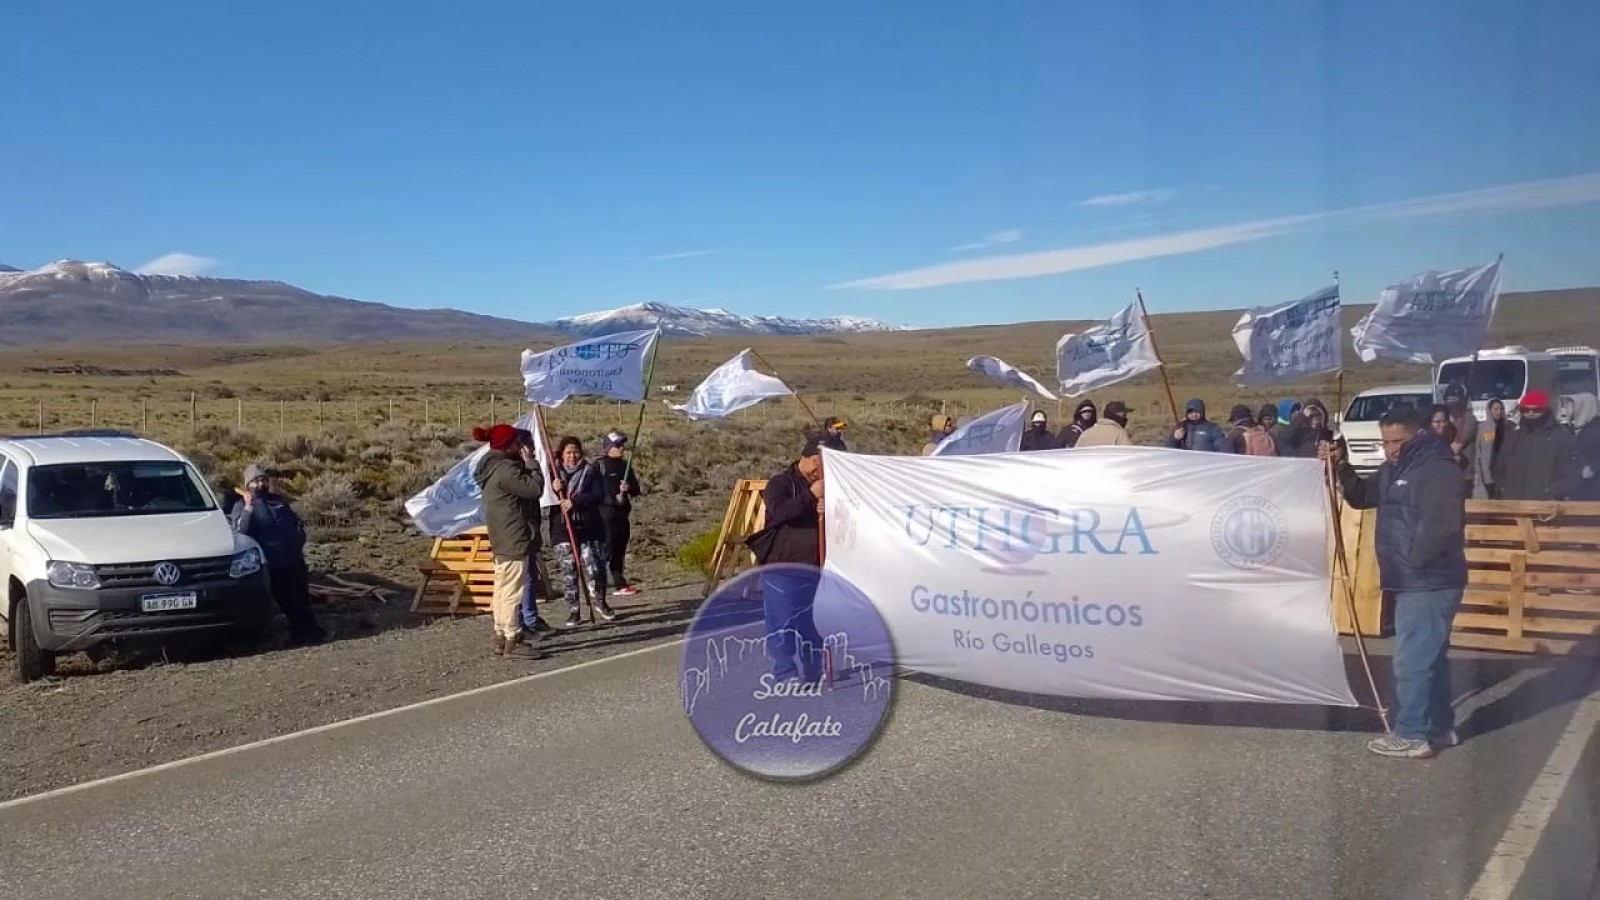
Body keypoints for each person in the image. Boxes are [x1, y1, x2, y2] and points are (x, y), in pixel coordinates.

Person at [1321, 404, 1466, 759]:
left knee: (1411, 660)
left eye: (1397, 441)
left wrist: (1414, 561)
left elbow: (1444, 525)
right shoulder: (1393, 469)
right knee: (1430, 657)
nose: (1390, 449)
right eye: (1385, 442)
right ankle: (1438, 726)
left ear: (1418, 434)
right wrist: (1342, 465)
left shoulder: (1436, 469)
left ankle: (1412, 733)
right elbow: (1362, 496)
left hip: (1429, 580)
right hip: (1411, 579)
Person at [754, 439, 828, 683]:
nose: (819, 468)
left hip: (814, 566)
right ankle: (785, 672)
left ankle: (814, 668)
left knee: (812, 622)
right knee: (782, 622)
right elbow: (781, 512)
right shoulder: (780, 483)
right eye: (816, 462)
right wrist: (811, 495)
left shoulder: (829, 485)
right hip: (782, 567)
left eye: (824, 464)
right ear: (804, 458)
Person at [230, 464, 327, 647]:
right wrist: (249, 506)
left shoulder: (278, 501)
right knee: (290, 601)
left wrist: (299, 538)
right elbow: (242, 532)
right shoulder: (241, 506)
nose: (261, 484)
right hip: (274, 564)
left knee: (302, 598)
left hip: (294, 559)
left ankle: (301, 634)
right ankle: (312, 633)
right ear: (248, 484)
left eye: (263, 480)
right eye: (256, 481)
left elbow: (296, 522)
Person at [471, 424, 545, 658]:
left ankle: (501, 633)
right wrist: (531, 463)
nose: (520, 446)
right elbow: (534, 489)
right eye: (516, 442)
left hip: (501, 536)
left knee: (502, 589)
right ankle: (513, 637)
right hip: (513, 536)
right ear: (508, 445)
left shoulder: (491, 468)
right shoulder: (506, 471)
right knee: (512, 591)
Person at [548, 436, 616, 626]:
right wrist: (553, 488)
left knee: (594, 567)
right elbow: (542, 495)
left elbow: (598, 495)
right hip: (562, 528)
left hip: (588, 527)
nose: (572, 456)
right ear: (561, 454)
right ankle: (573, 610)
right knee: (569, 570)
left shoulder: (591, 470)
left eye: (576, 451)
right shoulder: (553, 472)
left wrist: (575, 502)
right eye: (568, 452)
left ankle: (600, 601)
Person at [1493, 391, 1581, 501]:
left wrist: (1552, 492)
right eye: (1525, 410)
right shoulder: (1514, 434)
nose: (1531, 413)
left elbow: (1570, 472)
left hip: (1544, 503)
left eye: (1536, 410)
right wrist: (1502, 488)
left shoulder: (1560, 436)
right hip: (1513, 501)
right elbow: (1500, 465)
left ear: (1545, 410)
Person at [595, 430, 643, 597]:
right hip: (605, 515)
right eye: (618, 445)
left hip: (622, 514)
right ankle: (597, 584)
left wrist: (628, 487)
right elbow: (594, 491)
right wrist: (611, 497)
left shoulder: (625, 465)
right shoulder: (598, 466)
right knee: (605, 550)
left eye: (622, 444)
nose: (622, 448)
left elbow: (636, 490)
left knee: (619, 550)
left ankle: (619, 583)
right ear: (608, 447)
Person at [1166, 398, 1231, 452]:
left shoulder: (1212, 428)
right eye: (1191, 412)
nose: (1194, 414)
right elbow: (1169, 448)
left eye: (1197, 412)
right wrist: (1175, 438)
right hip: (1185, 461)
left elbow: (1223, 448)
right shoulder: (1181, 426)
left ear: (1202, 412)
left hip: (1205, 461)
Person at [1475, 398, 1508, 499]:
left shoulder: (1508, 427)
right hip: (1487, 473)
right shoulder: (1482, 428)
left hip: (1504, 473)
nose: (1499, 412)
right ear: (1489, 410)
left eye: (1501, 409)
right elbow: (1478, 451)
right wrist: (1478, 472)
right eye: (1496, 409)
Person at [1570, 394, 1600, 500]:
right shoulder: (1573, 427)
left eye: (1573, 406)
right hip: (1576, 483)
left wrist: (1593, 467)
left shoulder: (1595, 428)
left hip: (1593, 484)